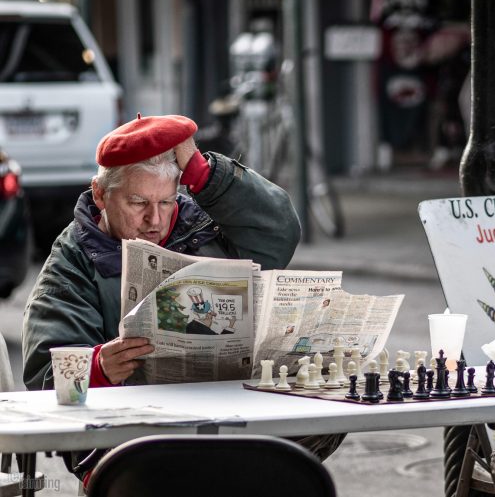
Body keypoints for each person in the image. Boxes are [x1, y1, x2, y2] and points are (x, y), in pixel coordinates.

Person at [21, 114, 342, 482]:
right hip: (129, 444)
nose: (153, 220)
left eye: (166, 202)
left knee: (319, 418)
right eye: (138, 202)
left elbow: (278, 234)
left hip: (227, 420)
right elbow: (45, 378)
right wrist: (99, 367)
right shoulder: (71, 263)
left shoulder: (202, 224)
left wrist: (204, 173)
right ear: (100, 195)